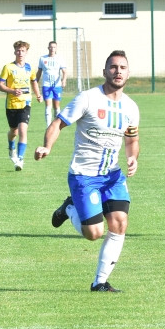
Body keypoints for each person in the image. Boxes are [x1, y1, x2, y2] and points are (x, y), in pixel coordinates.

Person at [35, 50, 140, 293]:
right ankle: (69, 208)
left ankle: (99, 282)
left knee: (120, 223)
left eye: (122, 67)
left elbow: (132, 139)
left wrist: (133, 157)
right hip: (84, 175)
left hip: (112, 175)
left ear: (128, 73)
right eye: (113, 67)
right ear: (104, 72)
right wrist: (47, 146)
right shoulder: (88, 98)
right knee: (94, 233)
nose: (118, 71)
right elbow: (57, 123)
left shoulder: (131, 107)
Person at [0, 40, 37, 170]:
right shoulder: (8, 67)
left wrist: (38, 94)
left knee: (22, 130)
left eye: (23, 51)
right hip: (11, 105)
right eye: (18, 50)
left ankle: (20, 160)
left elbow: (34, 81)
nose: (20, 53)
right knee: (13, 132)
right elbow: (0, 85)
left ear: (26, 52)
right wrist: (12, 91)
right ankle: (11, 147)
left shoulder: (29, 67)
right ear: (15, 52)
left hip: (25, 103)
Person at [36, 40, 68, 128]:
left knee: (56, 106)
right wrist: (35, 82)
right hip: (46, 85)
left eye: (54, 47)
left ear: (56, 48)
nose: (52, 49)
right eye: (51, 47)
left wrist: (63, 80)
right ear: (48, 48)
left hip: (57, 86)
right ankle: (48, 126)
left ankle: (56, 125)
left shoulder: (59, 59)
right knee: (48, 106)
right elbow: (39, 72)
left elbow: (64, 71)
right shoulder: (43, 59)